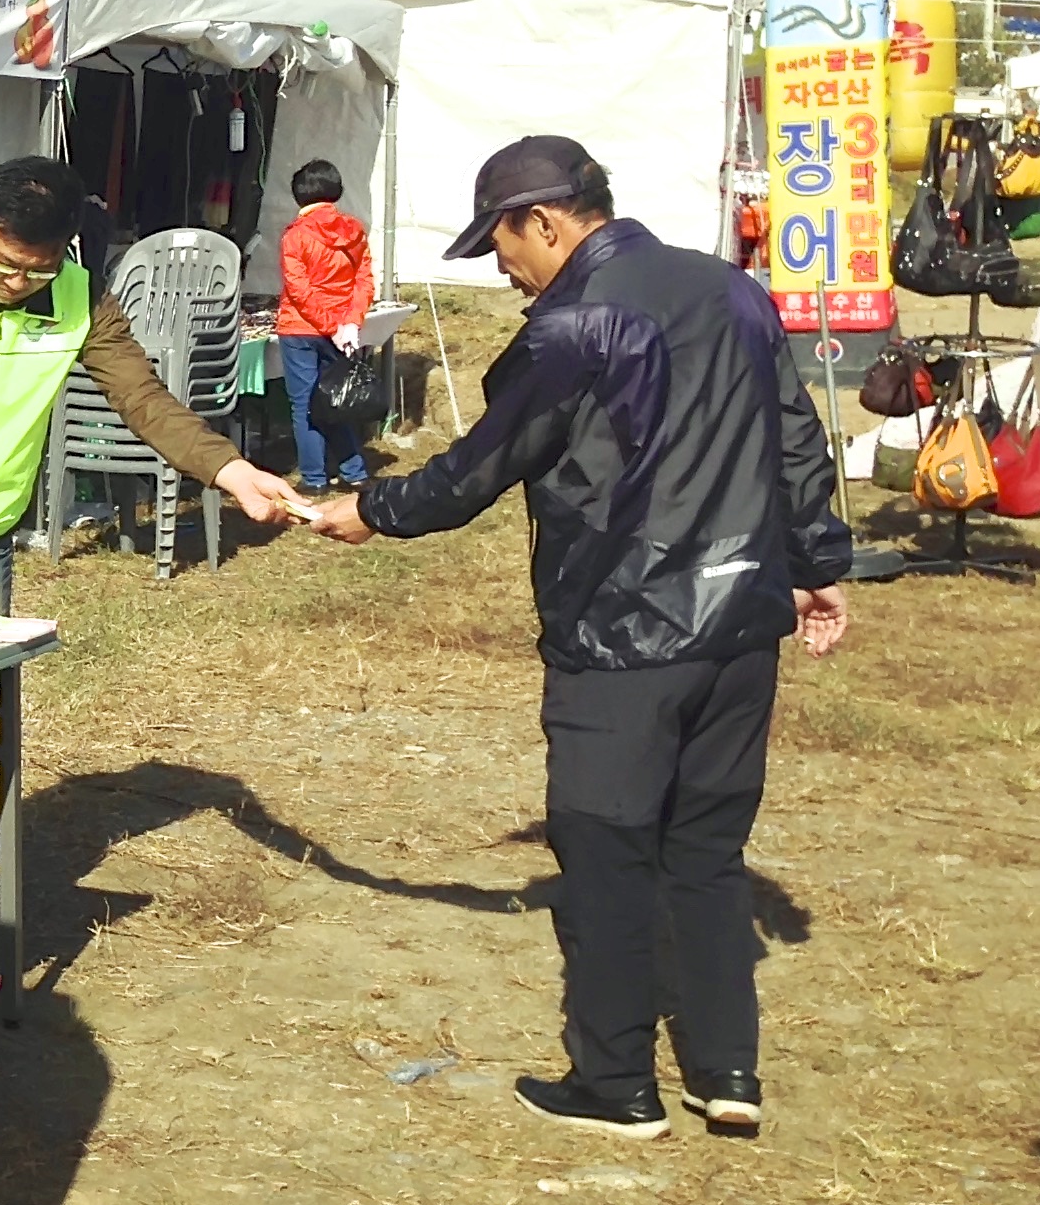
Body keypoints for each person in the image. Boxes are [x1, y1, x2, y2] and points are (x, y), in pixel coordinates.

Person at [311, 136, 850, 1139]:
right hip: (740, 627)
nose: (501, 267)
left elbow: (478, 468)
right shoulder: (733, 293)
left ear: (547, 221)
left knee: (603, 859)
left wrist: (371, 509)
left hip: (620, 639)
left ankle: (615, 1083)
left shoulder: (571, 326)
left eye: (502, 244)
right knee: (708, 852)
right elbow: (795, 437)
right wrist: (817, 565)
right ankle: (729, 1070)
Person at [0, 155, 295, 993]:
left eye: (37, 270)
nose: (18, 283)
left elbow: (144, 401)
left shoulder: (81, 295)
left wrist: (229, 472)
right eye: (7, 263)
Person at [275, 155, 376, 495]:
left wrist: (330, 324)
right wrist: (349, 322)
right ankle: (354, 472)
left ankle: (315, 479)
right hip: (340, 331)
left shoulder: (296, 235)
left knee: (305, 404)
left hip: (300, 328)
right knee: (337, 399)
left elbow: (298, 288)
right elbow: (365, 281)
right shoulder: (355, 230)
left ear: (299, 196)